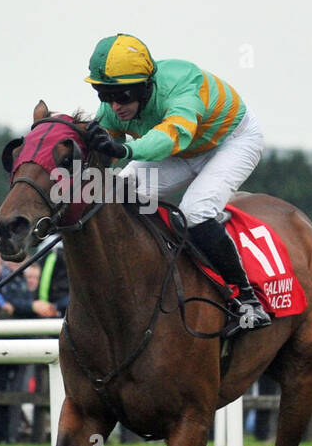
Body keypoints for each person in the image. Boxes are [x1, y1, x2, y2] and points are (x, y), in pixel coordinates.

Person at [82, 33, 270, 337]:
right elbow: (104, 151)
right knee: (118, 193)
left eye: (124, 96)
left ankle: (249, 301)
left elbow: (173, 135)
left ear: (144, 88)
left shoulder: (182, 84)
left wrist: (126, 150)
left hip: (230, 142)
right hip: (184, 149)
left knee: (195, 212)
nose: (116, 106)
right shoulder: (115, 108)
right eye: (106, 95)